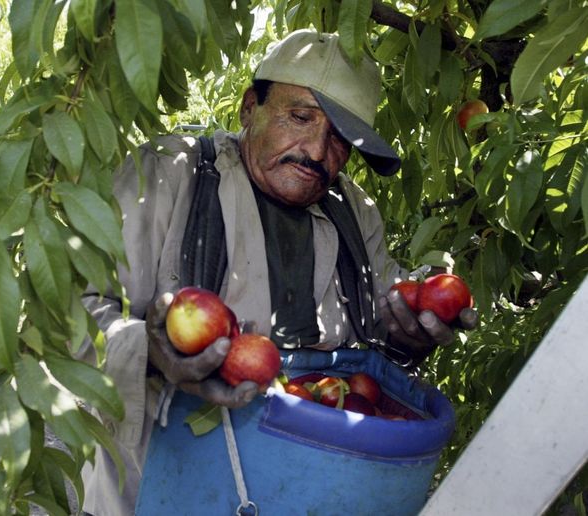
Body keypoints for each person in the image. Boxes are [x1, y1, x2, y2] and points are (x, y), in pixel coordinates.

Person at [76, 29, 478, 515]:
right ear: (250, 108)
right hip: (164, 488)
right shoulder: (167, 174)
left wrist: (408, 337)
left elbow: (378, 343)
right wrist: (150, 350)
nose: (315, 150)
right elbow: (69, 316)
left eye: (339, 139)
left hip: (300, 487)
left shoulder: (354, 211)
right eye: (300, 117)